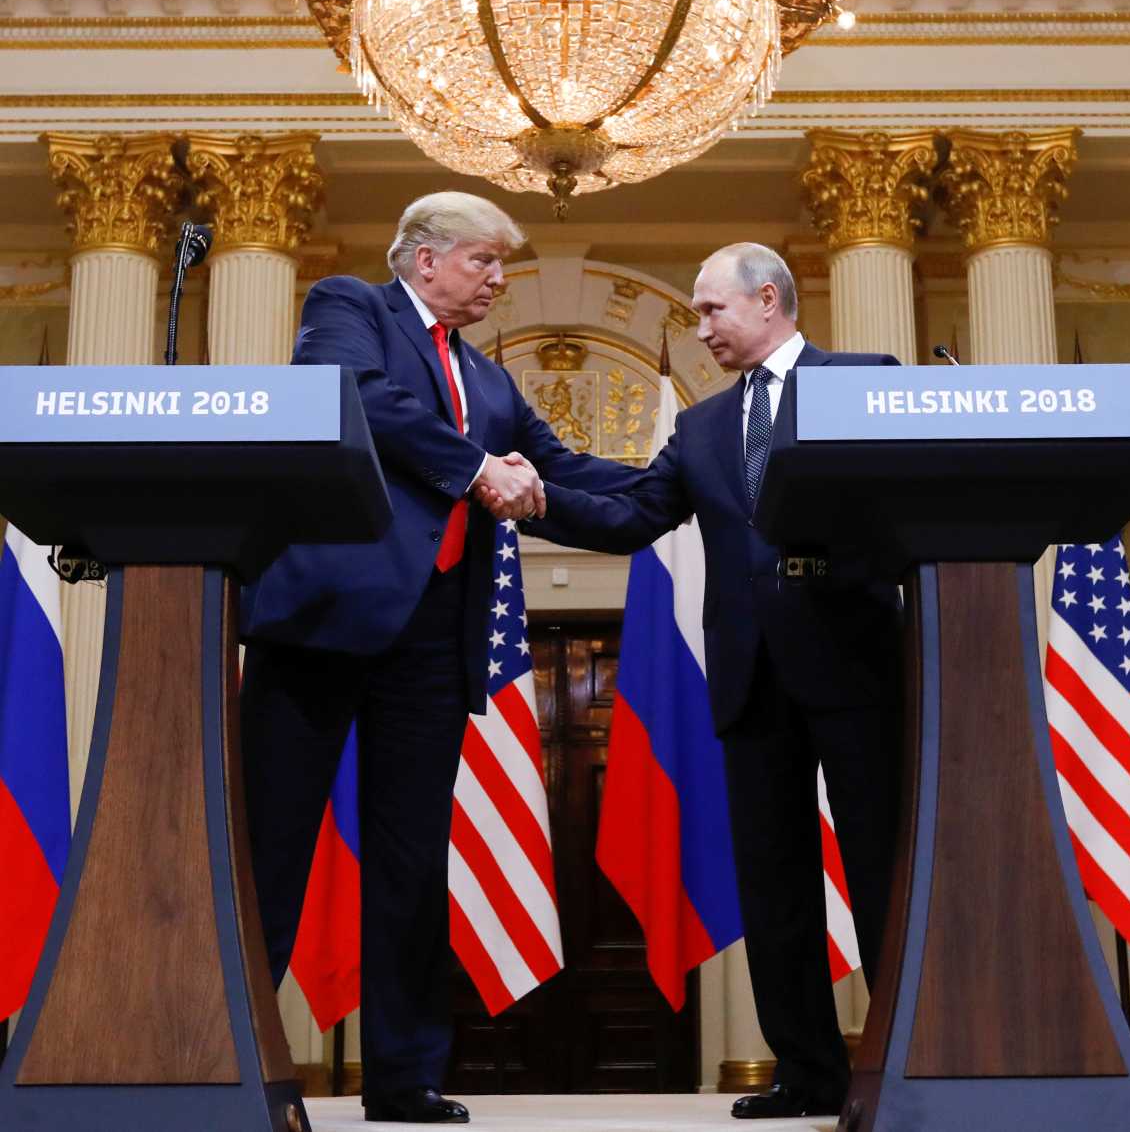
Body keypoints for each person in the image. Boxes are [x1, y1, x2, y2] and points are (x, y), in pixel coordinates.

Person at [479, 242, 903, 1120]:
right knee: (774, 882)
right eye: (701, 313)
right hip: (750, 679)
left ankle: (908, 1053)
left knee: (882, 870)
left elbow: (902, 503)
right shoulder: (704, 428)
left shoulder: (862, 382)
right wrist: (541, 497)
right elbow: (636, 513)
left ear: (769, 300)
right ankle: (808, 1072)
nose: (702, 325)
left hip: (854, 665)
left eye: (713, 309)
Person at [240, 191, 637, 1125]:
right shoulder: (352, 308)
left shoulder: (491, 383)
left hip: (431, 637)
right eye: (484, 261)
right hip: (323, 621)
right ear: (425, 260)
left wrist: (684, 482)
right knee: (271, 846)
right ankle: (230, 1049)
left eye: (502, 264)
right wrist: (474, 469)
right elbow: (359, 400)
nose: (500, 278)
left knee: (412, 860)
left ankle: (404, 1077)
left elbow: (564, 472)